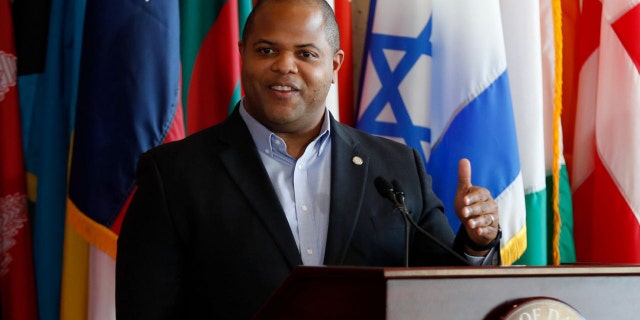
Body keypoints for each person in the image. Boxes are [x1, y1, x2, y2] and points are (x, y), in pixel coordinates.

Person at [115, 0, 501, 318]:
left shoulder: (398, 167)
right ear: (242, 54)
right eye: (267, 50)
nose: (285, 65)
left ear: (334, 65)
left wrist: (476, 243)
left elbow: (444, 292)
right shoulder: (172, 174)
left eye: (306, 53)